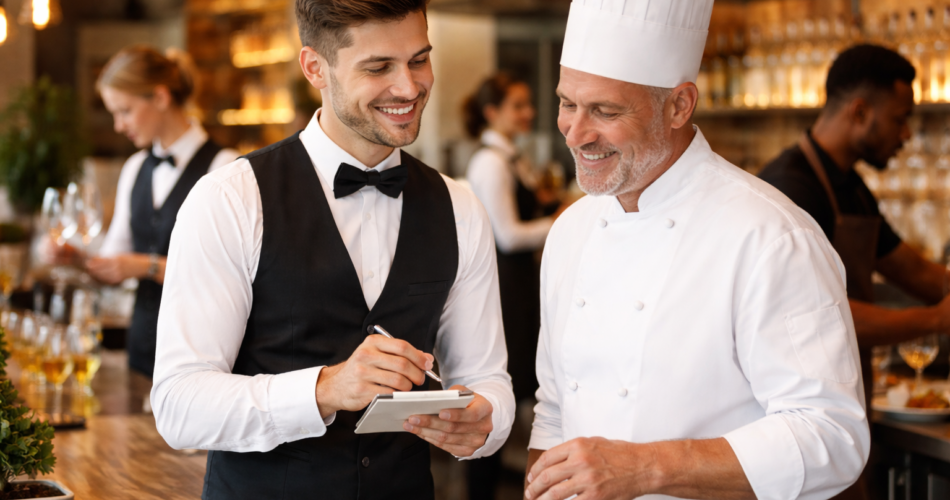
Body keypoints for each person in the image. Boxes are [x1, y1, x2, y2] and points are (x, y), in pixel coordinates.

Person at [150, 1, 515, 499]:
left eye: (418, 60)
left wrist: (483, 423)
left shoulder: (460, 207)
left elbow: (488, 379)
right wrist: (323, 390)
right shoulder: (230, 199)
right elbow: (179, 405)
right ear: (314, 68)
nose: (409, 88)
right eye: (378, 67)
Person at [524, 1, 869, 499]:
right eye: (567, 103)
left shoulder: (770, 236)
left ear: (679, 106)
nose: (575, 133)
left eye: (605, 110)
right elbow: (555, 411)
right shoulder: (570, 230)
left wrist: (646, 467)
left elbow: (832, 436)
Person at [760, 45, 950, 399]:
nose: (907, 134)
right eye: (900, 119)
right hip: (801, 403)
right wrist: (935, 320)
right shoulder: (791, 188)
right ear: (860, 112)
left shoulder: (853, 187)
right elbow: (817, 314)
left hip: (850, 395)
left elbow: (914, 271)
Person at [88, 46, 239, 377]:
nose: (118, 125)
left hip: (201, 352)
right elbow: (115, 256)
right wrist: (73, 255)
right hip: (143, 344)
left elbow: (227, 275)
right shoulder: (135, 167)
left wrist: (145, 266)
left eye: (124, 110)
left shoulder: (225, 167)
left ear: (159, 97)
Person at [464, 73, 562, 500]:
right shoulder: (489, 162)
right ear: (492, 112)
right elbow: (507, 235)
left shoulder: (510, 157)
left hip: (523, 286)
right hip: (506, 290)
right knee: (501, 389)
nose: (529, 113)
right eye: (518, 106)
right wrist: (561, 223)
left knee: (523, 386)